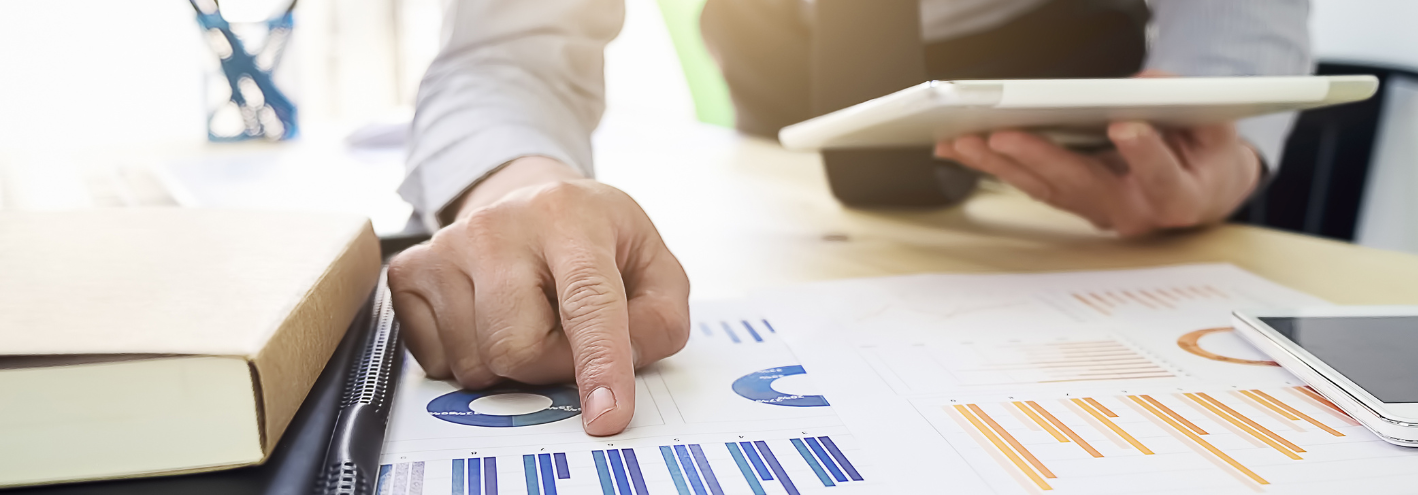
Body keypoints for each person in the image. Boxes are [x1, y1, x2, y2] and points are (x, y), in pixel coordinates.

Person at [388, 0, 1311, 436]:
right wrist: (518, 193)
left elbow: (1234, 31)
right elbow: (506, 52)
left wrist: (1226, 123)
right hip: (790, 55)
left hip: (1071, 86)